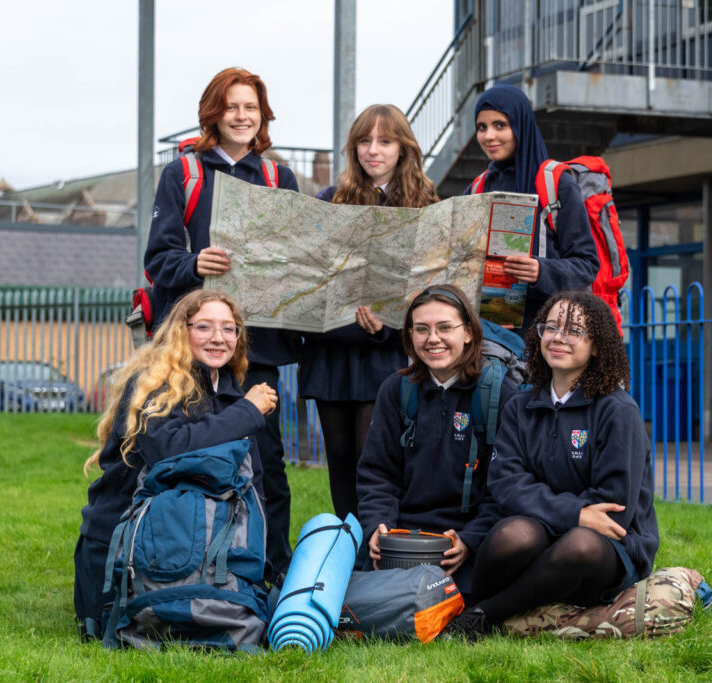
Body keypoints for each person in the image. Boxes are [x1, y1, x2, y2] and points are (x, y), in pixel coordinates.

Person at [144, 67, 297, 584]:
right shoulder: (183, 173)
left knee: (268, 466)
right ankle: (184, 561)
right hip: (197, 347)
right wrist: (195, 265)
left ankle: (271, 573)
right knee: (192, 449)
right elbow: (158, 260)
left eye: (251, 107)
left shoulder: (281, 179)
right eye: (232, 106)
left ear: (262, 116)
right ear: (214, 112)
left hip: (261, 350)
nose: (241, 116)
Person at [444, 290, 658, 640]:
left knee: (580, 543)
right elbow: (506, 483)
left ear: (598, 345)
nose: (559, 337)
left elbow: (613, 512)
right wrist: (574, 513)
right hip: (541, 536)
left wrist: (574, 520)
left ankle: (483, 615)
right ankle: (481, 608)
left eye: (574, 330)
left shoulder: (617, 411)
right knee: (513, 534)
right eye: (551, 327)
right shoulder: (520, 405)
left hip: (606, 551)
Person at [73, 290, 278, 639]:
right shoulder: (154, 383)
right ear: (180, 330)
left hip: (197, 547)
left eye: (230, 329)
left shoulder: (228, 390)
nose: (219, 338)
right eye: (204, 327)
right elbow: (170, 448)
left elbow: (252, 487)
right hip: (124, 550)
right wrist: (246, 413)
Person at [302, 104, 439, 518]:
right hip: (333, 355)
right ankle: (348, 558)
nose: (372, 150)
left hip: (388, 355)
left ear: (404, 148)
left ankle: (375, 554)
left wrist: (388, 325)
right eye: (364, 141)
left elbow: (434, 288)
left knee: (374, 460)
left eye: (384, 141)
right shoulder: (330, 201)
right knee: (340, 463)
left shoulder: (427, 206)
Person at [356, 284, 517, 595]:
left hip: (469, 540)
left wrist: (470, 540)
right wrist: (376, 528)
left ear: (469, 332)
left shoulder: (499, 394)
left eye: (445, 327)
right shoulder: (396, 390)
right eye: (421, 329)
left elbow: (506, 485)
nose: (432, 339)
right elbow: (377, 473)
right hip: (403, 539)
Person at [465, 84, 600, 335]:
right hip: (487, 337)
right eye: (481, 127)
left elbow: (586, 265)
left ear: (521, 126)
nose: (488, 136)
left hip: (544, 338)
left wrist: (541, 271)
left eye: (500, 125)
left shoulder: (555, 183)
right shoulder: (477, 188)